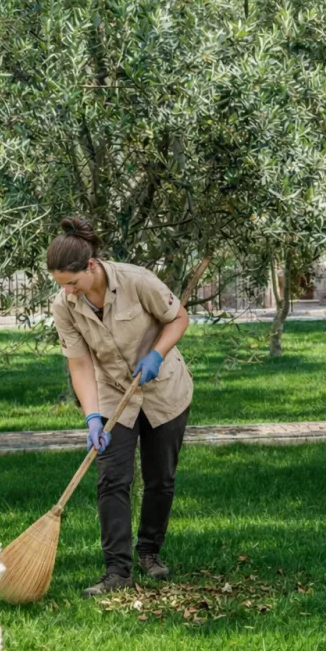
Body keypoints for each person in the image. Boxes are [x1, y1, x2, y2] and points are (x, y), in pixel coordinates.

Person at [47, 217, 193, 597]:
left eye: (73, 282)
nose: (69, 291)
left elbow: (179, 318)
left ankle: (150, 552)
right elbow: (79, 364)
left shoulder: (136, 280)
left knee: (160, 479)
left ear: (91, 266)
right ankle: (117, 572)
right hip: (114, 394)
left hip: (164, 391)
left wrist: (157, 354)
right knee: (112, 479)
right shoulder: (65, 305)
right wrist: (92, 416)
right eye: (62, 285)